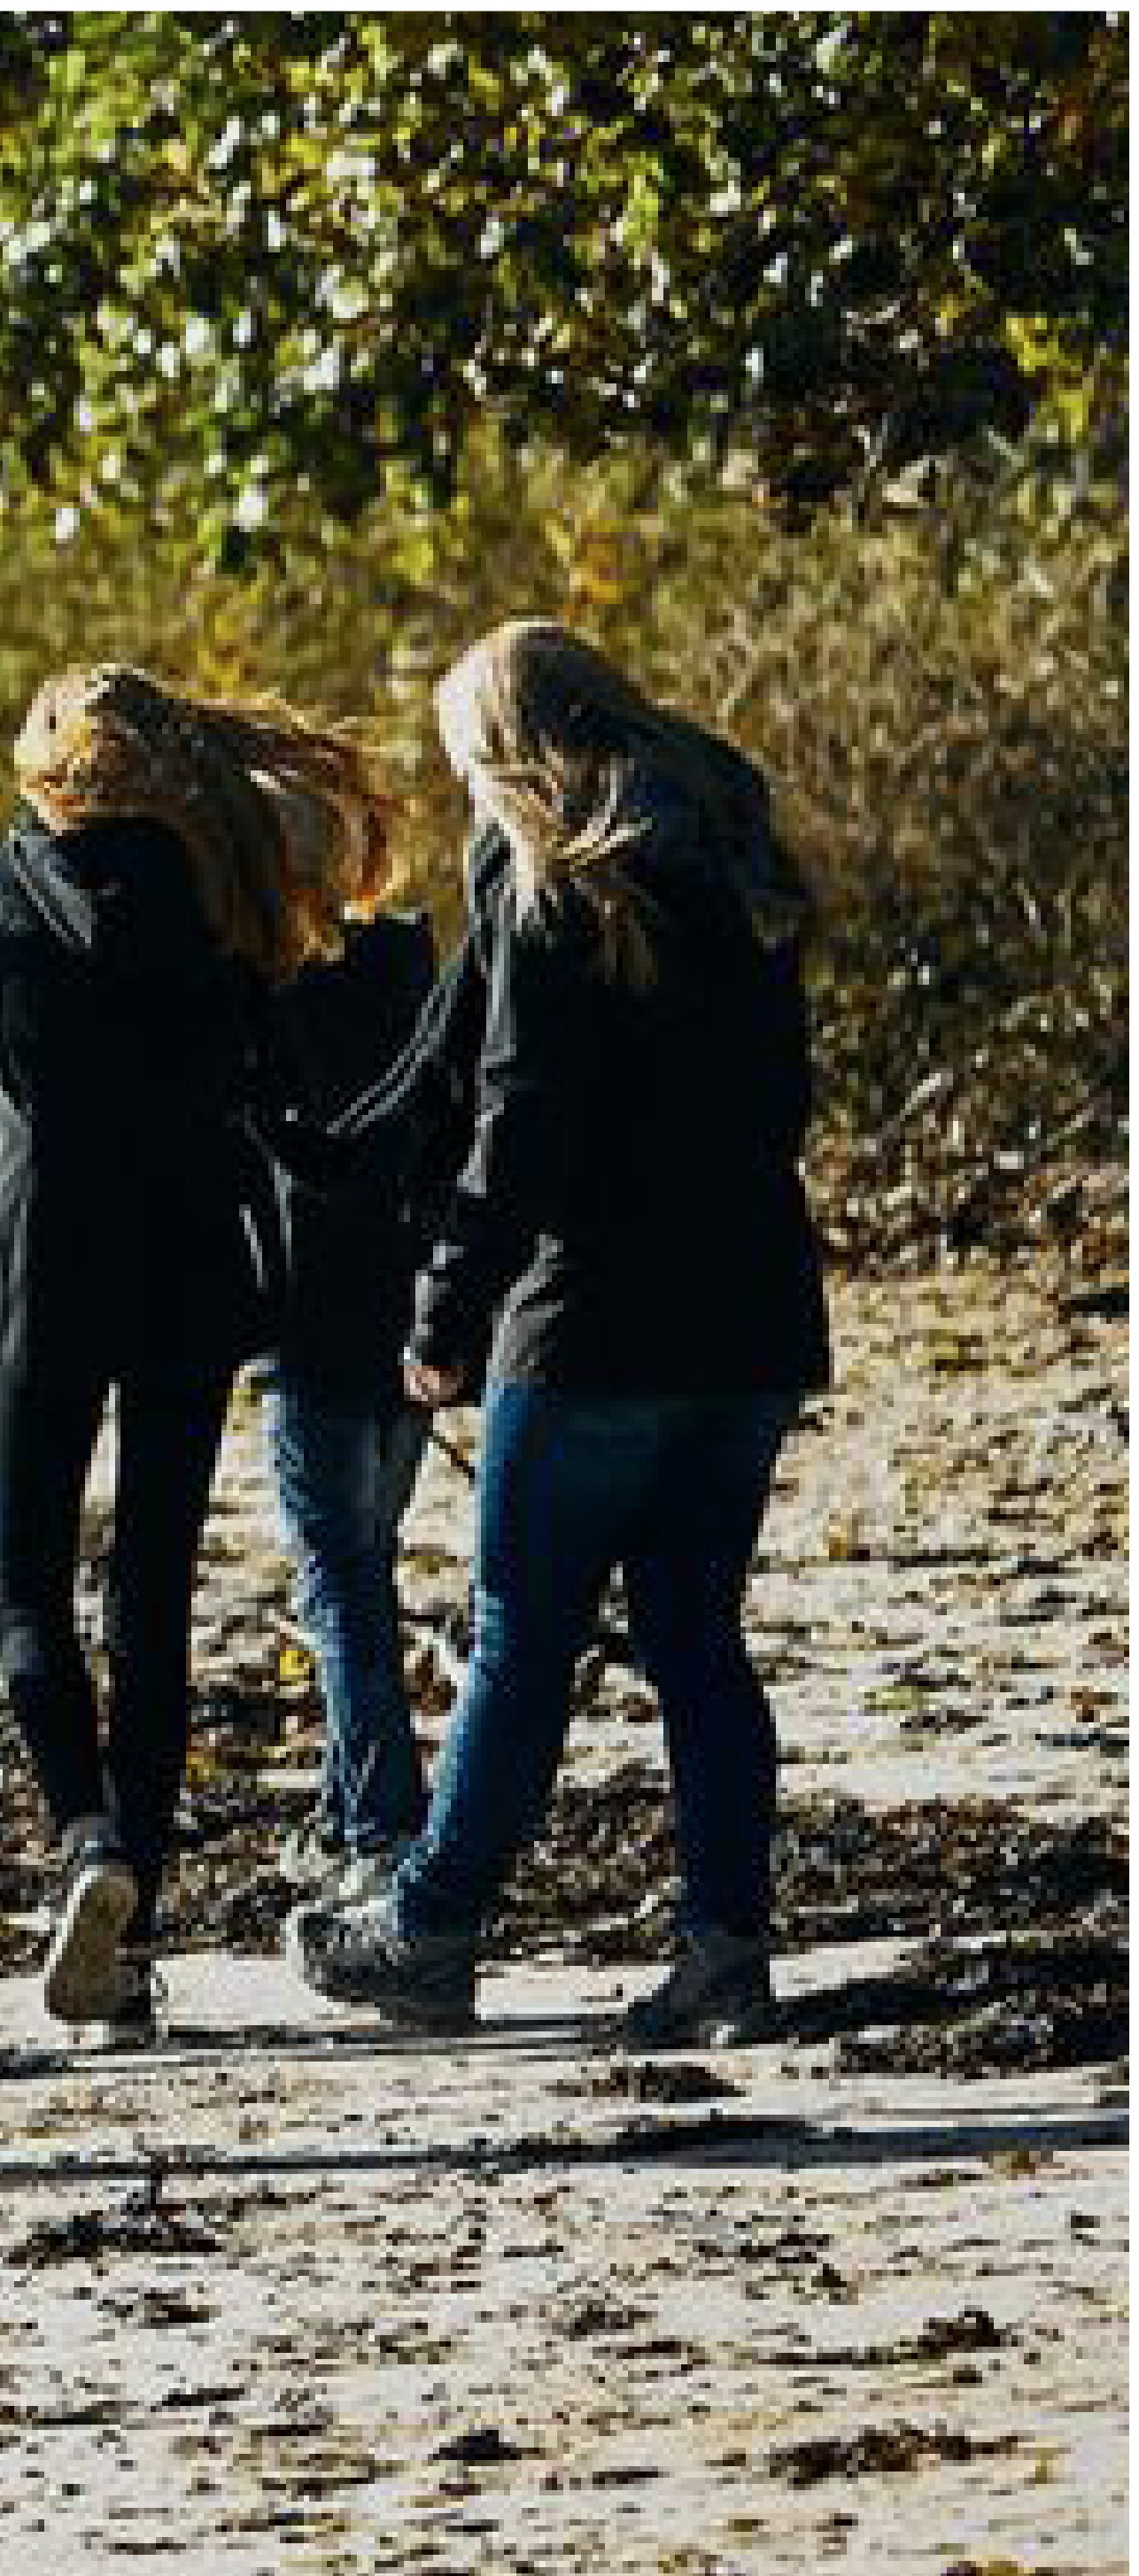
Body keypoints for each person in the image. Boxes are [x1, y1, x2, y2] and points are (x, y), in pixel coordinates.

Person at [295, 622, 828, 2046]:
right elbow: (788, 1104)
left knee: (526, 1632)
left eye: (469, 764)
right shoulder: (736, 857)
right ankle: (726, 1947)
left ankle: (432, 1923)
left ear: (510, 751)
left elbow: (523, 1119)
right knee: (695, 1636)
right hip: (757, 1311)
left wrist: (444, 1315)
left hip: (596, 1321)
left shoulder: (554, 882)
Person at [0, 666, 374, 2035]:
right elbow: (284, 1076)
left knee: (24, 1593)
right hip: (191, 1264)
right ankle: (132, 1943)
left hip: (48, 1268)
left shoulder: (2, 889)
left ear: (47, 776)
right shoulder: (226, 894)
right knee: (155, 1597)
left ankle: (91, 1847)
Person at [247, 770, 452, 1893]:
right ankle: (344, 1812)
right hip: (413, 1299)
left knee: (337, 1574)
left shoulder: (261, 983)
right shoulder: (412, 960)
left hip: (311, 1312)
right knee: (362, 1561)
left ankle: (381, 1823)